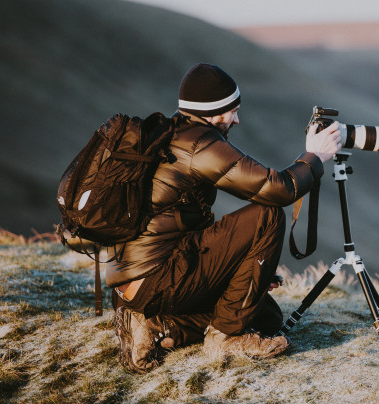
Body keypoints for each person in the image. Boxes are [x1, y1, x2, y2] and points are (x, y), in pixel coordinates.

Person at [109, 63, 341, 373]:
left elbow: (184, 225)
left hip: (130, 282)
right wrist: (314, 156)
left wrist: (242, 266)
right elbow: (277, 189)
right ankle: (226, 338)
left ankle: (156, 327)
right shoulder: (200, 144)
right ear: (214, 111)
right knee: (268, 215)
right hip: (158, 278)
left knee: (265, 315)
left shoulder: (169, 135)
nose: (237, 118)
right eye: (232, 110)